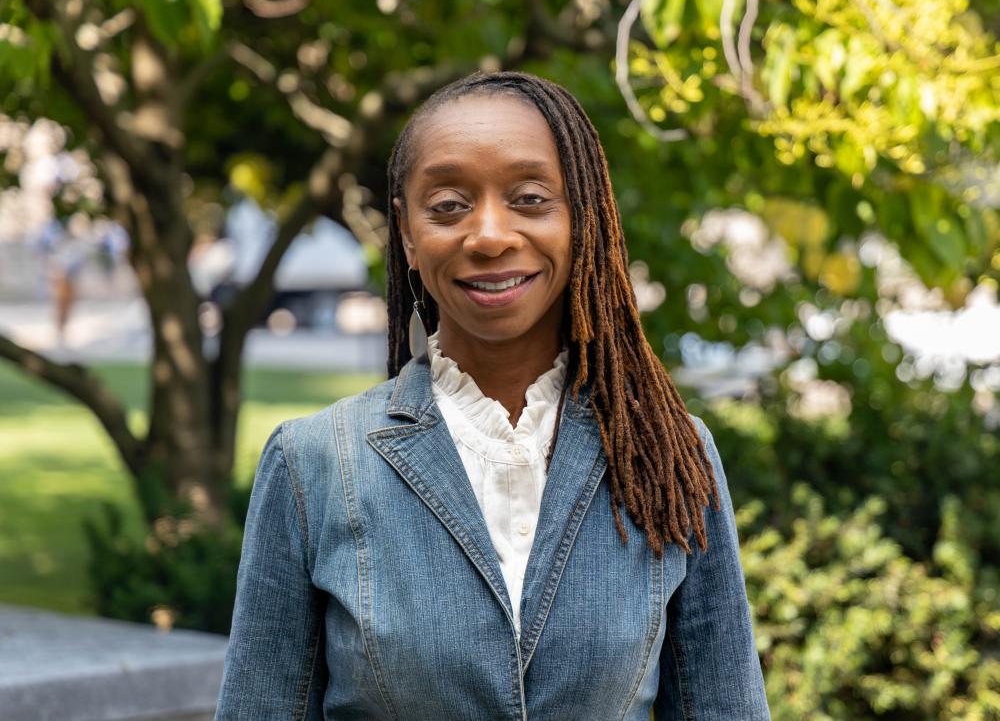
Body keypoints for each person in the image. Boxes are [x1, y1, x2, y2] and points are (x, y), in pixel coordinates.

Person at [216, 71, 770, 720]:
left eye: (531, 198)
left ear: (582, 218)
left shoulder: (668, 454)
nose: (488, 235)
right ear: (407, 234)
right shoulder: (315, 463)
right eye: (449, 205)